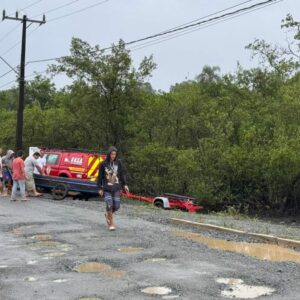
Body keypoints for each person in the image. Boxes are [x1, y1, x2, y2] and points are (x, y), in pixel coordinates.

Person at [97, 146, 129, 231]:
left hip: (116, 188)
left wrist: (125, 184)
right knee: (110, 205)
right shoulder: (103, 164)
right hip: (107, 188)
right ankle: (111, 223)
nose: (113, 156)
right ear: (109, 154)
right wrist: (100, 188)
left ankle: (108, 214)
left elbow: (122, 174)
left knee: (117, 206)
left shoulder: (119, 162)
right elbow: (99, 177)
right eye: (112, 154)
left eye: (115, 154)